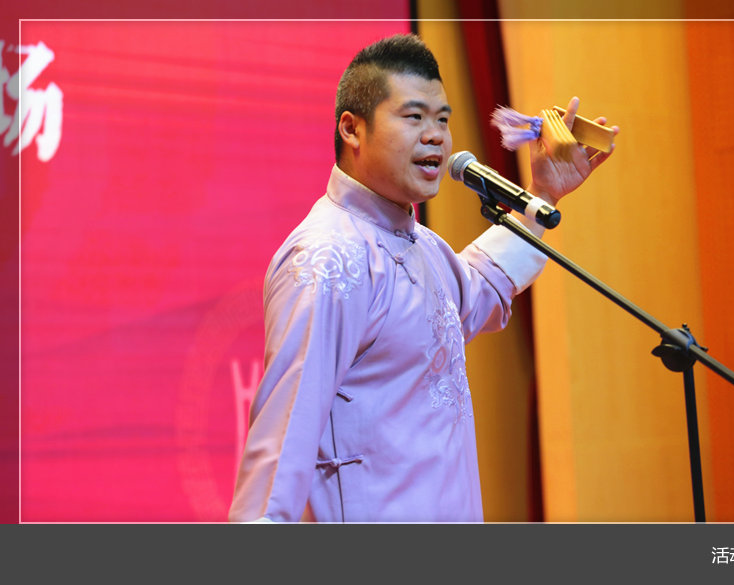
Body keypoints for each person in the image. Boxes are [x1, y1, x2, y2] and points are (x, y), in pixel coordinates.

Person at [229, 33, 617, 522]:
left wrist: (542, 195)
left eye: (442, 120)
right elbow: (284, 433)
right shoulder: (328, 257)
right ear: (352, 129)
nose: (435, 136)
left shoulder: (423, 247)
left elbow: (479, 288)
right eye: (414, 117)